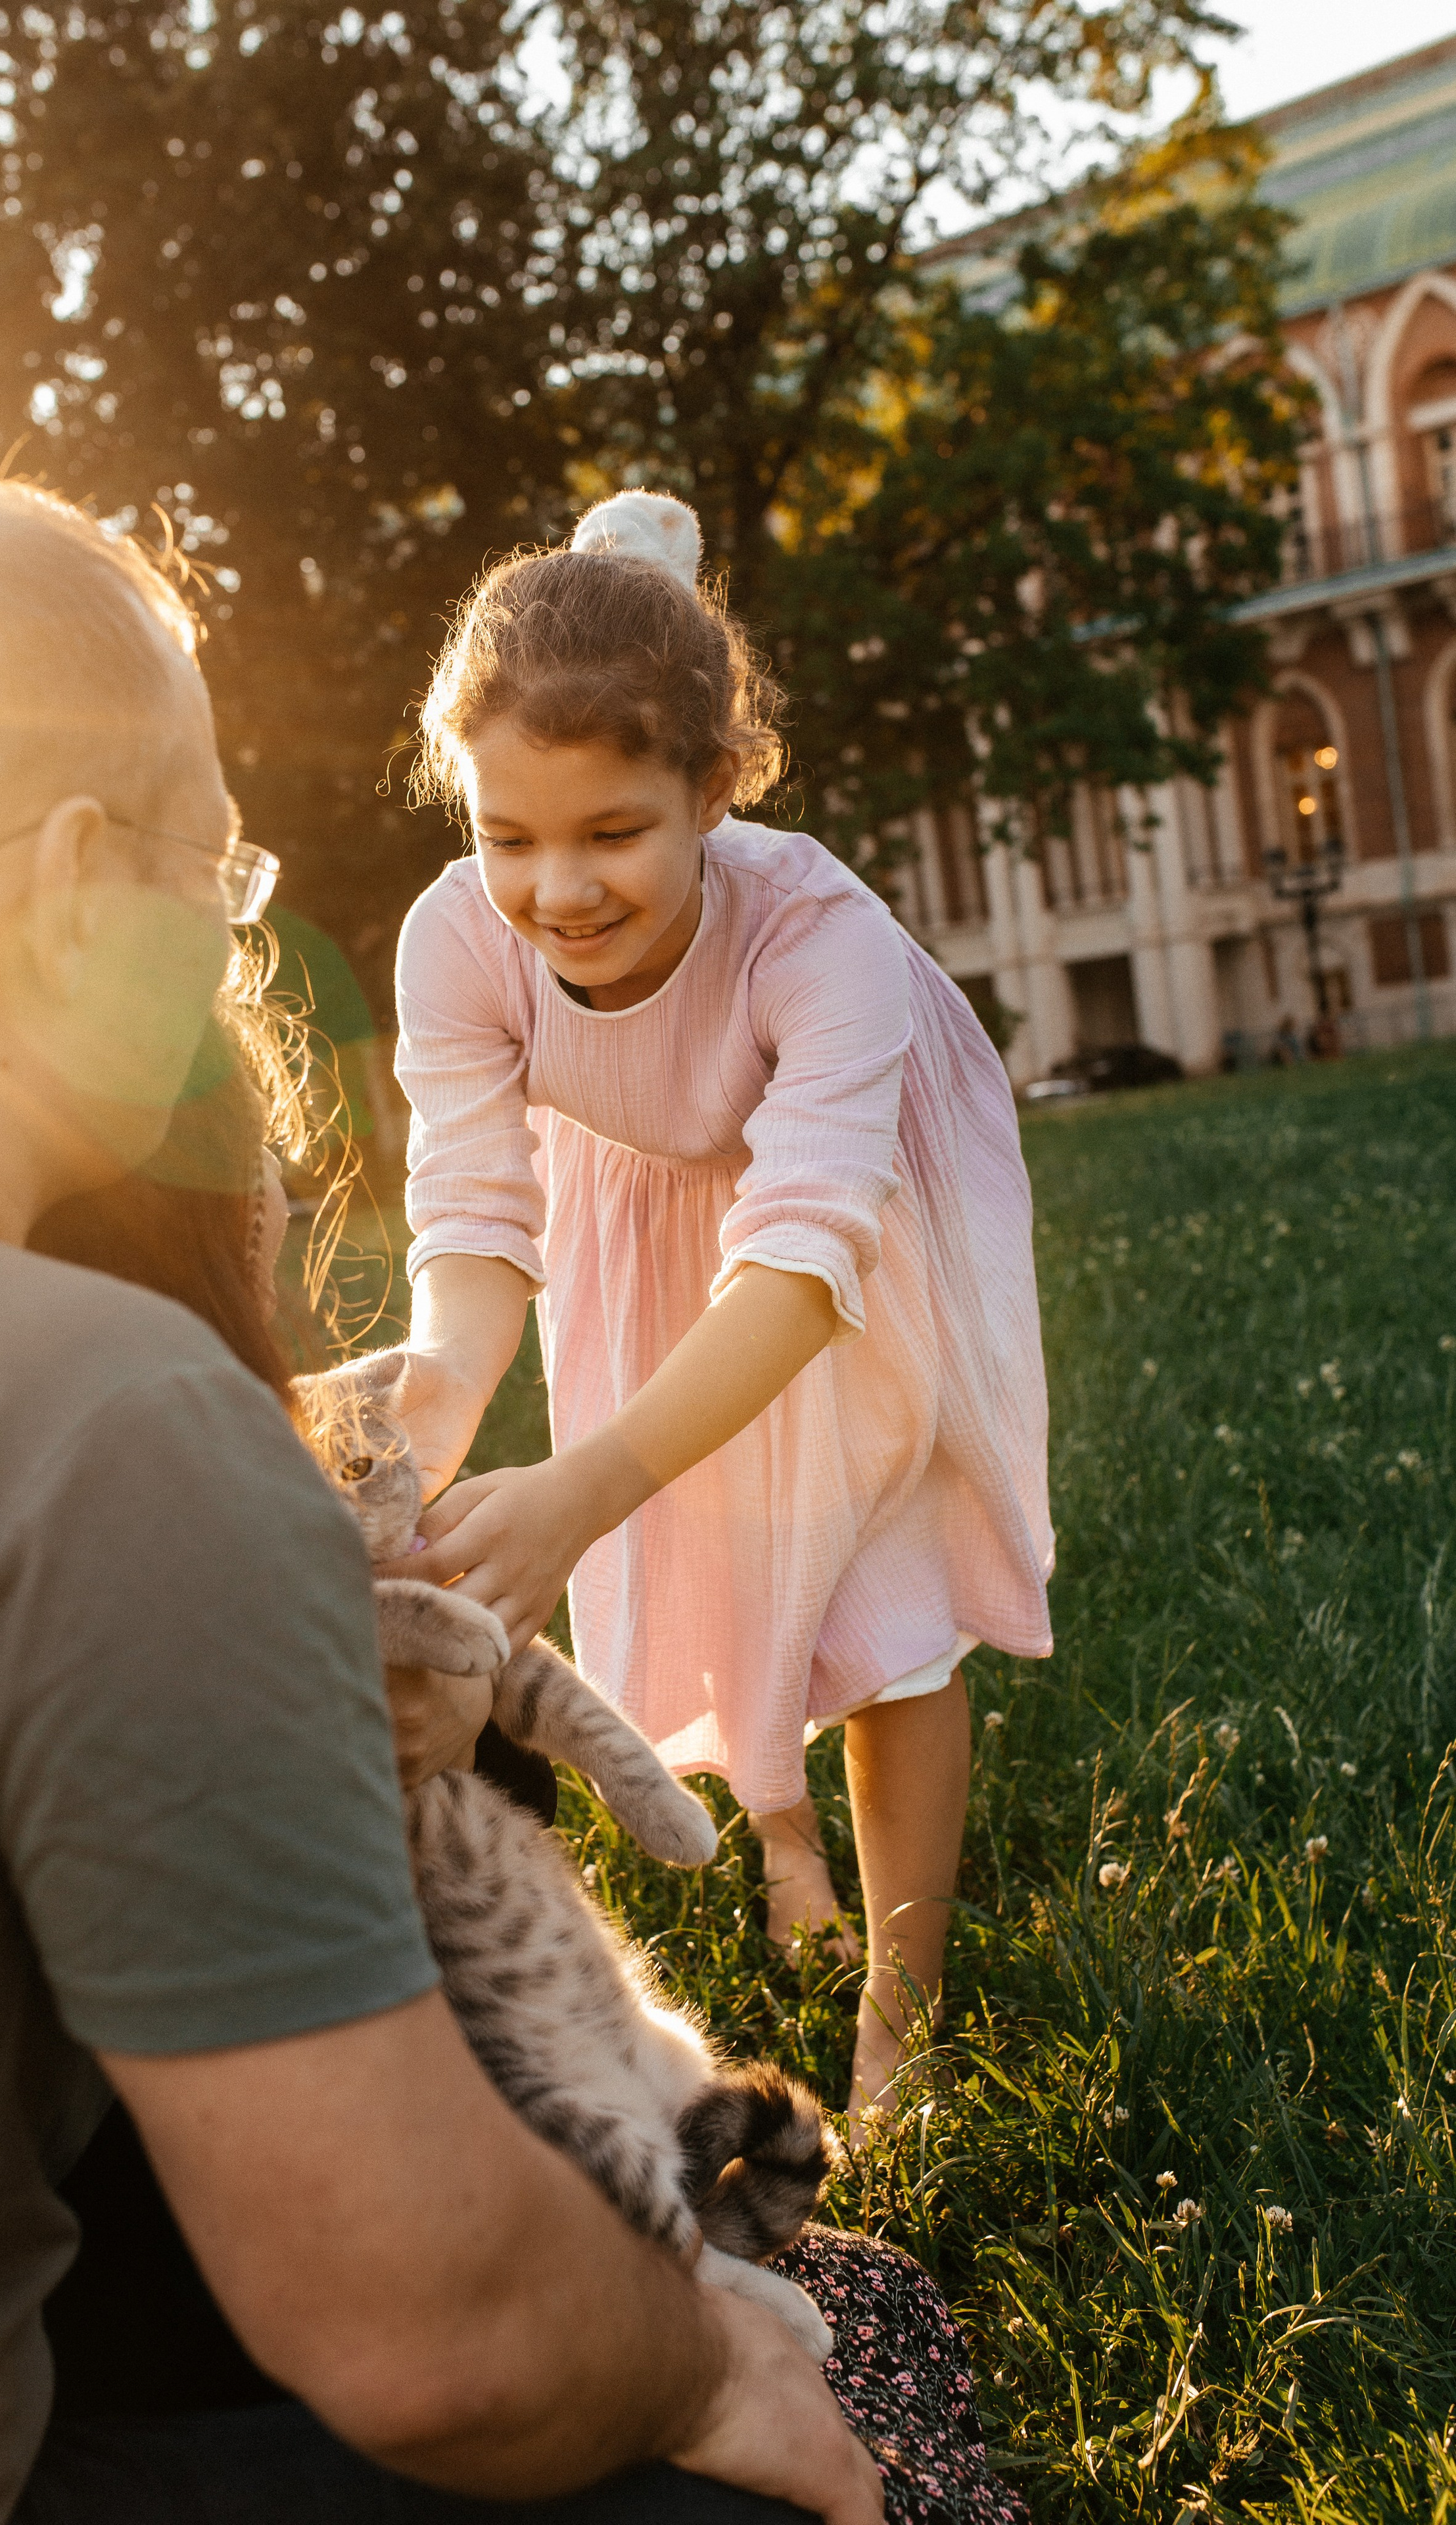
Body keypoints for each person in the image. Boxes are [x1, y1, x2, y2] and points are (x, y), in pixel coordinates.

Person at [0, 470, 882, 2525]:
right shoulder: (87, 1417)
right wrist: (705, 2364)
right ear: (81, 877)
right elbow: (435, 2341)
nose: (233, 929)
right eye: (221, 861)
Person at [28, 985, 1027, 2524]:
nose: (289, 1238)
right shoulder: (173, 1546)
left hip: (174, 2294)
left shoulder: (41, 1466)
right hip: (237, 2340)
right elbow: (375, 2214)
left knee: (857, 2294)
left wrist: (461, 1706)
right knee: (845, 2406)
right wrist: (689, 2361)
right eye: (266, 1218)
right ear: (207, 1226)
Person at [385, 493, 1053, 2121]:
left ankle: (899, 2033)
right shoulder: (452, 941)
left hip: (844, 1216)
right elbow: (474, 1230)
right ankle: (780, 1840)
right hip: (643, 1193)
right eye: (507, 836)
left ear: (715, 789)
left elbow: (803, 1263)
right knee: (716, 1545)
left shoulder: (817, 931)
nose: (556, 889)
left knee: (879, 1597)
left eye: (613, 832)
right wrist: (414, 1446)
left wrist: (580, 1481)